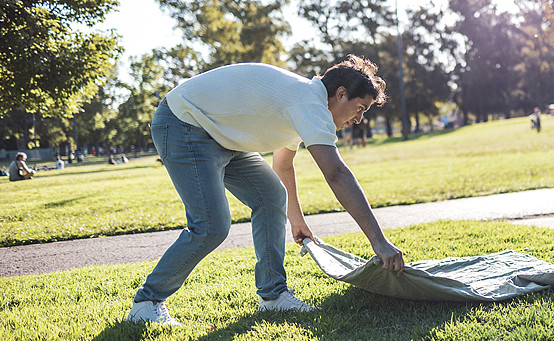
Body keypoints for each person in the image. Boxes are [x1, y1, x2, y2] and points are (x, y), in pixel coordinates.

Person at [126, 55, 405, 326]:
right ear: (341, 93)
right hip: (184, 122)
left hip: (223, 135)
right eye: (361, 108)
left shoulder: (306, 100)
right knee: (211, 225)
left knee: (271, 196)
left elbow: (283, 166)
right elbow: (336, 173)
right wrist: (378, 242)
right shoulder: (309, 103)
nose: (359, 120)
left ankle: (273, 296)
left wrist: (297, 221)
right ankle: (146, 304)